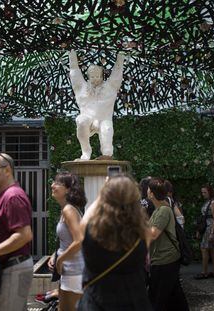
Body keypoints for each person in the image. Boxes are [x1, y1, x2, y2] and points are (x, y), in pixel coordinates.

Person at [78, 175, 151, 310]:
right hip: (134, 302)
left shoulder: (90, 230)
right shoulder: (144, 233)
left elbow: (84, 221)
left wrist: (103, 193)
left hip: (97, 302)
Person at [0, 152, 33, 311]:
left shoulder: (12, 196)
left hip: (13, 269)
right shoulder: (4, 195)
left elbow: (24, 234)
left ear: (7, 170)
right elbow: (7, 232)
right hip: (9, 268)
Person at [69, 50, 125, 160]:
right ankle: (86, 151)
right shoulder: (81, 87)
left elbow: (118, 71)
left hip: (104, 119)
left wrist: (121, 54)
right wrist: (71, 52)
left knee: (107, 141)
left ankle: (106, 155)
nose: (95, 79)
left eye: (98, 76)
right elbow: (74, 69)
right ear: (88, 76)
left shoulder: (110, 87)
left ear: (102, 76)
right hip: (87, 119)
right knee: (81, 120)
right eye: (92, 76)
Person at [147, 177, 189, 311]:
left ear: (152, 194)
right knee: (173, 295)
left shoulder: (163, 210)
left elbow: (153, 234)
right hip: (164, 259)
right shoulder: (158, 210)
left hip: (165, 259)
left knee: (158, 297)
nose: (147, 191)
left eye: (148, 189)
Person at [47, 172, 86, 311]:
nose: (52, 185)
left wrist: (60, 259)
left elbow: (79, 240)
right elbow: (69, 240)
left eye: (58, 183)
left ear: (68, 189)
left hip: (74, 271)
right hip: (70, 271)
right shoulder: (67, 209)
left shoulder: (69, 210)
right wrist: (55, 255)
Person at [194, 185, 214, 279]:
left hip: (210, 227)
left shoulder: (213, 202)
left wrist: (212, 232)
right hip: (208, 226)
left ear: (210, 192)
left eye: (205, 192)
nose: (203, 194)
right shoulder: (209, 202)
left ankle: (204, 272)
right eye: (202, 192)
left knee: (204, 248)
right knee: (212, 250)